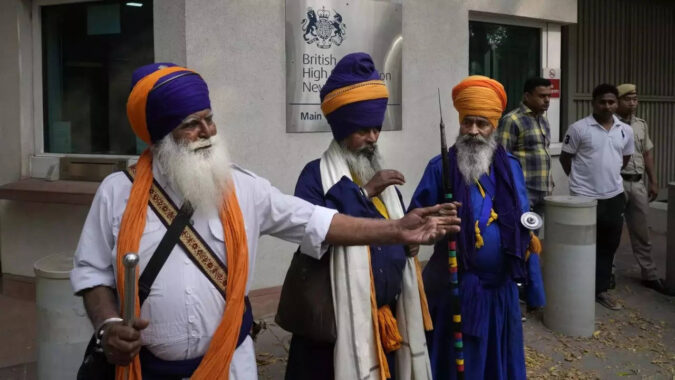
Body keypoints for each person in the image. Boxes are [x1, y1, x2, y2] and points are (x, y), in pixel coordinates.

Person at [70, 63, 461, 380]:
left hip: (230, 366)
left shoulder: (243, 188)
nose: (208, 132)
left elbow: (317, 222)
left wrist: (396, 229)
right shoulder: (116, 193)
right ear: (159, 135)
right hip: (142, 370)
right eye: (192, 124)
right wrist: (107, 326)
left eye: (210, 119)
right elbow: (92, 274)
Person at [284, 52, 433, 380]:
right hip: (333, 330)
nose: (373, 138)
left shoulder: (383, 176)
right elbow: (309, 237)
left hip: (387, 319)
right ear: (342, 128)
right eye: (363, 130)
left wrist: (414, 239)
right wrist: (364, 193)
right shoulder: (314, 176)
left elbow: (398, 230)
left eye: (377, 129)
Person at [409, 75, 546, 380]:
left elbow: (525, 227)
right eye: (467, 122)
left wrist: (534, 286)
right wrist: (432, 222)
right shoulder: (439, 167)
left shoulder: (511, 167)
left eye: (481, 123)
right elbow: (413, 223)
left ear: (494, 125)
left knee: (499, 363)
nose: (473, 131)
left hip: (500, 292)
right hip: (454, 287)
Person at [560, 83, 635, 310]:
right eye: (602, 101)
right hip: (584, 198)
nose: (607, 106)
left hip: (613, 196)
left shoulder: (625, 130)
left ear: (616, 103)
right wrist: (581, 183)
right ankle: (576, 288)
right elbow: (566, 159)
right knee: (580, 245)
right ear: (593, 103)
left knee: (608, 245)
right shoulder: (578, 128)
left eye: (611, 102)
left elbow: (625, 159)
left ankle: (600, 290)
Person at [616, 84, 672, 295]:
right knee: (612, 230)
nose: (632, 103)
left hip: (637, 183)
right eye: (627, 99)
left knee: (641, 231)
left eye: (635, 99)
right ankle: (608, 274)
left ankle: (649, 274)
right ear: (618, 101)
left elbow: (647, 154)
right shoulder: (610, 125)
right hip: (616, 183)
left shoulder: (641, 125)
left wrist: (654, 180)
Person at [497, 77, 553, 215]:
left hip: (544, 189)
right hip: (523, 190)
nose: (547, 100)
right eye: (541, 96)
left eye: (549, 96)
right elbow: (501, 158)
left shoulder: (543, 119)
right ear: (527, 96)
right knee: (522, 233)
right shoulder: (512, 120)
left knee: (535, 234)